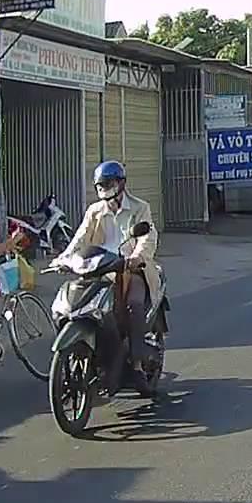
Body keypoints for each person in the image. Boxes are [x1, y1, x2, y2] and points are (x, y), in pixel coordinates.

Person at [54, 160, 160, 393]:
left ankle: (137, 364)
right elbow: (80, 238)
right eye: (101, 185)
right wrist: (63, 259)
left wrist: (137, 257)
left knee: (133, 305)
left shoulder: (140, 207)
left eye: (109, 183)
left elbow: (148, 237)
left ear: (121, 183)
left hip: (130, 269)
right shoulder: (95, 211)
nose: (105, 188)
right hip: (98, 268)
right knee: (72, 305)